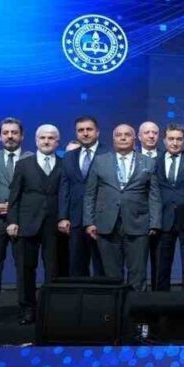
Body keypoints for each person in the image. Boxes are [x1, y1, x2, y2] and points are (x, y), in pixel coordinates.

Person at [84, 124, 161, 291]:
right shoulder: (100, 160)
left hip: (138, 224)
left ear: (135, 138)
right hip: (106, 225)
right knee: (112, 276)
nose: (123, 137)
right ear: (113, 139)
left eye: (127, 134)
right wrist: (89, 222)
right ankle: (115, 308)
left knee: (138, 275)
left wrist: (154, 223)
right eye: (119, 135)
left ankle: (137, 307)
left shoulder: (148, 162)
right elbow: (90, 194)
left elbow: (154, 195)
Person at [5, 124, 64, 324]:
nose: (46, 141)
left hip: (54, 225)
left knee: (53, 268)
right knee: (25, 268)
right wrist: (12, 221)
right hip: (25, 223)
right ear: (36, 140)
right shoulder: (23, 164)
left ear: (57, 141)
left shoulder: (64, 164)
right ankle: (27, 309)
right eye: (42, 138)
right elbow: (14, 196)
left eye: (51, 138)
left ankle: (50, 309)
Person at [0, 117, 29, 322]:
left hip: (23, 220)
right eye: (6, 133)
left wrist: (17, 208)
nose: (10, 136)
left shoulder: (32, 158)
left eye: (14, 132)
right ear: (0, 137)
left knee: (24, 266)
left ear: (22, 136)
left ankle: (26, 306)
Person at [154, 123, 184, 292]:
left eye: (179, 139)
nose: (175, 143)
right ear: (164, 140)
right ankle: (161, 302)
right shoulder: (156, 160)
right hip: (163, 220)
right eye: (171, 139)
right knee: (162, 266)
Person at [60, 116, 105, 277]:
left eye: (89, 129)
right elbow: (64, 188)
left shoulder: (109, 153)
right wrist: (63, 217)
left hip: (102, 218)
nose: (85, 133)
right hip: (75, 219)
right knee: (77, 267)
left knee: (102, 267)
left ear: (97, 132)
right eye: (81, 130)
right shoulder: (69, 156)